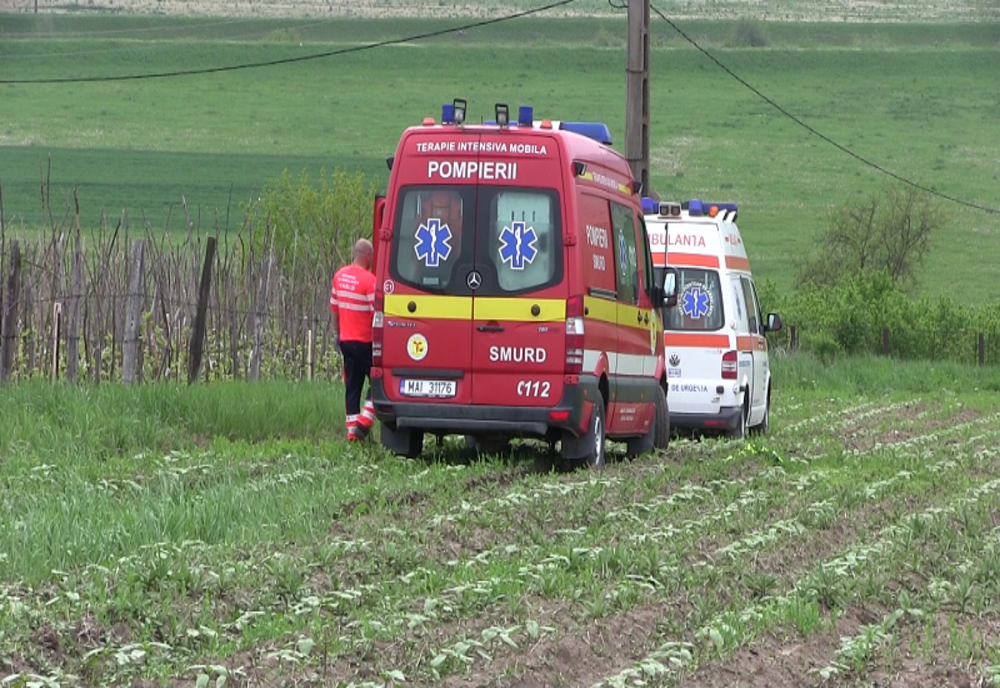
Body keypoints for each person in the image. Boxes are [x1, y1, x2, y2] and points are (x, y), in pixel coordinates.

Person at [329, 238, 377, 442]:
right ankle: (365, 421)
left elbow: (334, 311)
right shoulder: (369, 281)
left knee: (352, 386)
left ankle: (352, 434)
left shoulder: (339, 276)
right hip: (365, 343)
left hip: (346, 342)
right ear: (367, 256)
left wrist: (338, 334)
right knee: (379, 381)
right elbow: (377, 314)